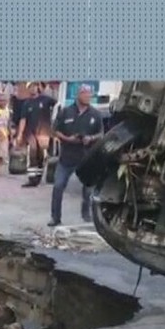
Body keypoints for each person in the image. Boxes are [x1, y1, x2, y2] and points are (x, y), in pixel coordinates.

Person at [49, 84, 104, 226]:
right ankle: (55, 218)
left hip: (86, 158)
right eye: (85, 93)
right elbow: (55, 130)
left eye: (90, 94)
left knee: (88, 190)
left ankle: (86, 215)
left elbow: (101, 134)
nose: (88, 96)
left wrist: (90, 139)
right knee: (58, 186)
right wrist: (67, 139)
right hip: (66, 157)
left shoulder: (95, 115)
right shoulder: (66, 112)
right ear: (78, 95)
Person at [15, 82, 57, 187]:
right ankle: (32, 179)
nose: (33, 89)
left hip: (44, 132)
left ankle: (38, 177)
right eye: (30, 87)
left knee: (41, 156)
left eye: (34, 86)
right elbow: (23, 119)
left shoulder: (46, 100)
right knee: (32, 153)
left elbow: (58, 105)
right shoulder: (26, 103)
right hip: (30, 132)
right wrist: (20, 134)